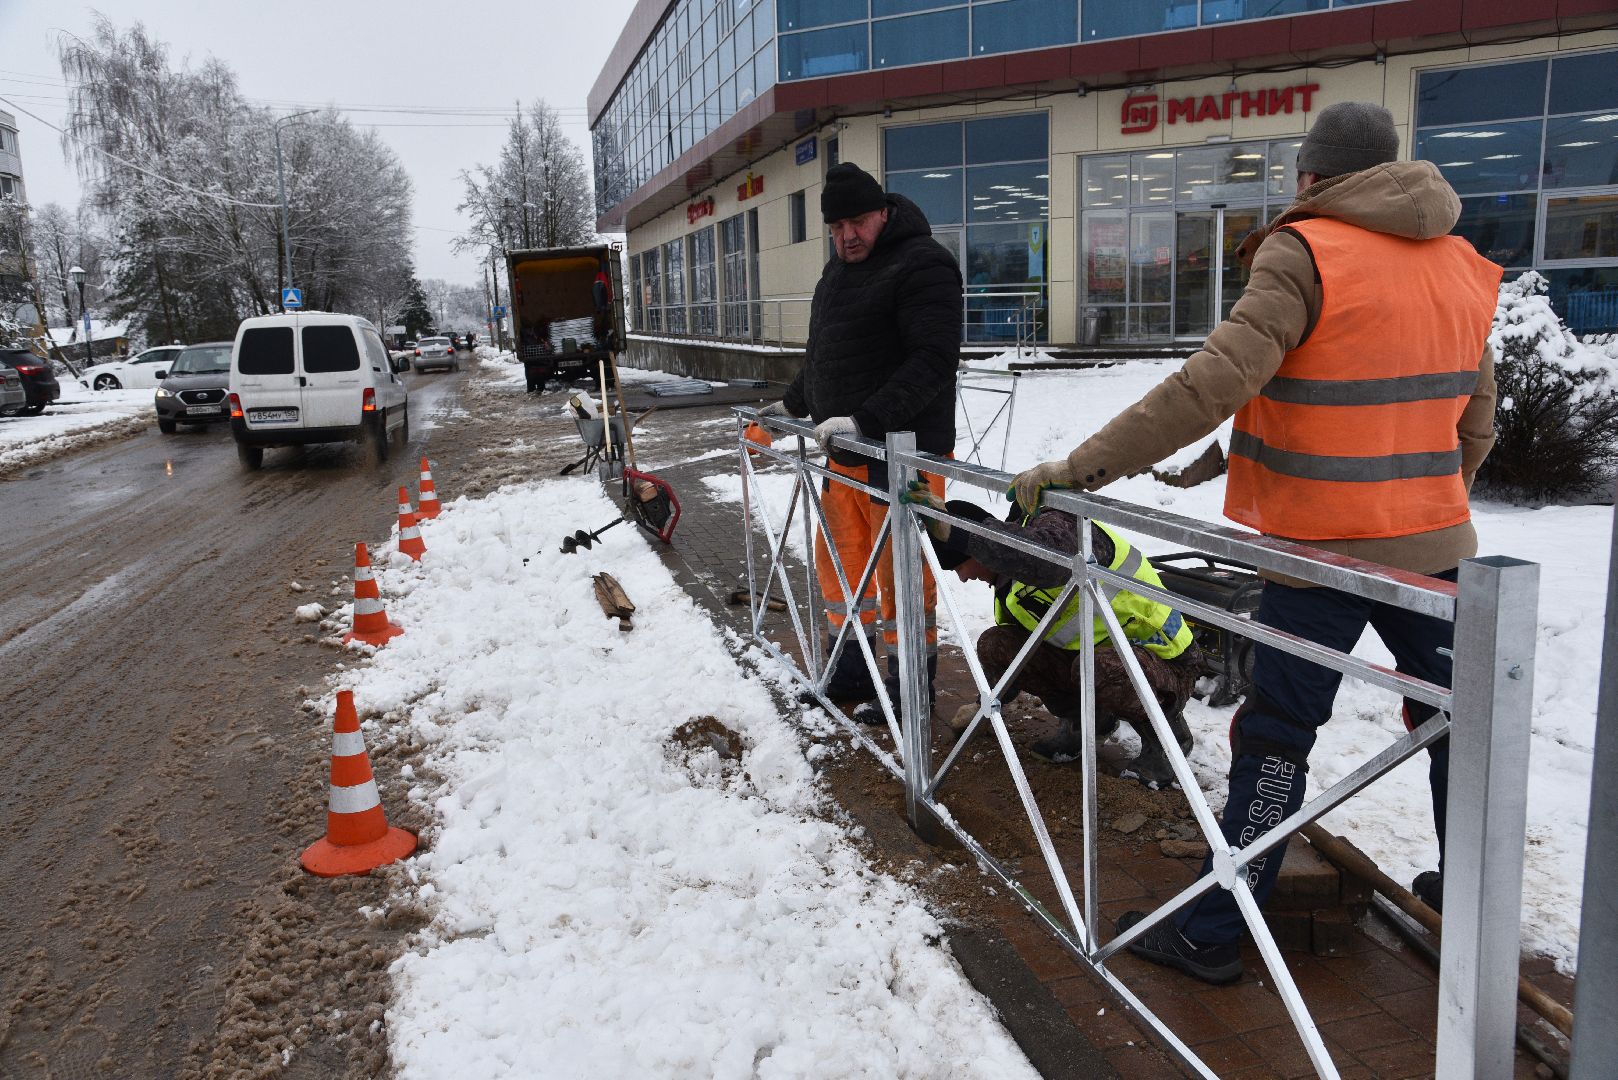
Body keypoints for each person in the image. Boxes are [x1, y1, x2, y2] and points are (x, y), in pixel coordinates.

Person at [1011, 102, 1501, 984]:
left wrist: (1076, 469)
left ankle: (1212, 929)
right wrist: (1427, 504)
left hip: (1320, 557)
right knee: (1453, 729)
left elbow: (1212, 383)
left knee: (1276, 736)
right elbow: (1473, 421)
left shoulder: (1306, 247)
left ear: (1313, 176)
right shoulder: (1463, 265)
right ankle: (1467, 903)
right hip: (1436, 555)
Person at [761, 162, 962, 718]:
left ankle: (907, 695)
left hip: (902, 458)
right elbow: (826, 356)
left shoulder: (924, 264)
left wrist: (866, 420)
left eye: (857, 222)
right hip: (843, 457)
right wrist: (794, 404)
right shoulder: (838, 272)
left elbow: (934, 360)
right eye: (836, 226)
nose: (847, 235)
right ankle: (850, 673)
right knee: (843, 568)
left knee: (901, 577)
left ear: (883, 212)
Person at [907, 485, 1201, 788]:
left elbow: (1045, 561)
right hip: (1100, 659)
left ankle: (1167, 741)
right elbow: (1018, 662)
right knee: (998, 645)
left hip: (1169, 661)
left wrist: (962, 535)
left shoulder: (1055, 526)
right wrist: (984, 708)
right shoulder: (1009, 594)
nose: (964, 577)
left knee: (1099, 666)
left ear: (979, 549)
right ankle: (1086, 723)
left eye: (960, 566)